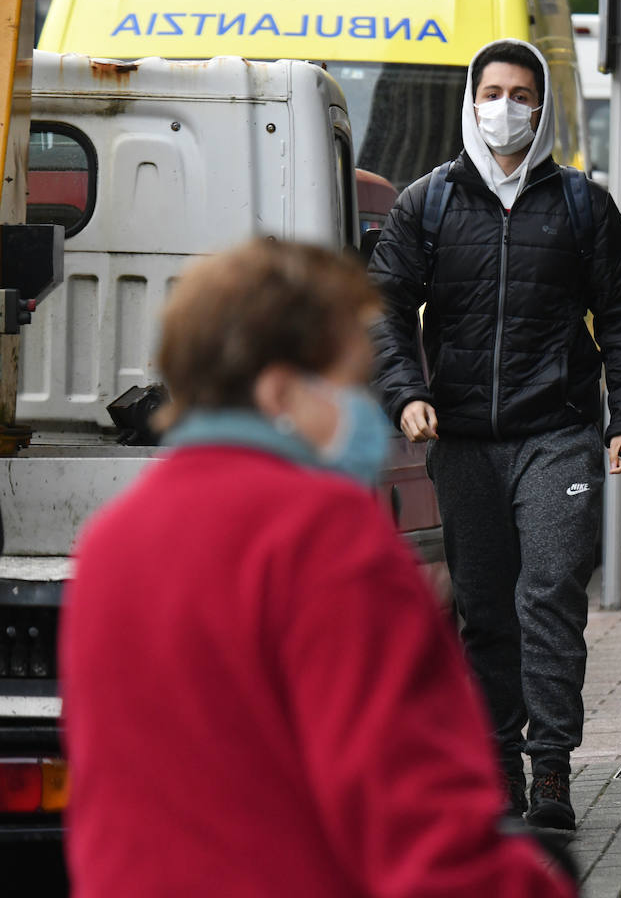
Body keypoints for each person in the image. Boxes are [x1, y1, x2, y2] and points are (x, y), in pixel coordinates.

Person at [61, 240, 577, 898]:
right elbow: (419, 818)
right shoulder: (321, 538)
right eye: (346, 383)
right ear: (280, 390)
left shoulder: (111, 542)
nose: (361, 411)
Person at [369, 38, 621, 830]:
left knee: (550, 593)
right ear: (471, 99)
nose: (506, 108)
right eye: (492, 91)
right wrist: (407, 394)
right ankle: (497, 769)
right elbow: (383, 304)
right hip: (463, 439)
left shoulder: (579, 206)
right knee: (486, 610)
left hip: (558, 432)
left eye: (522, 94)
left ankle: (552, 767)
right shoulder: (428, 203)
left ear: (543, 106)